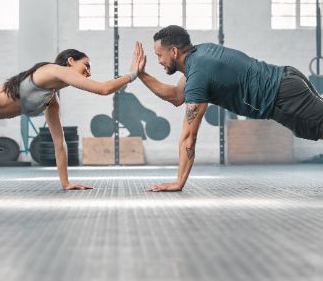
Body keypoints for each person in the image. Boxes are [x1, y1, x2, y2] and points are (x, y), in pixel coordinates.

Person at [136, 25, 323, 192]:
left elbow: (188, 137)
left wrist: (179, 182)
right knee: (310, 129)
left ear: (174, 51)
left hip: (283, 93)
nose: (159, 61)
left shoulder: (198, 76)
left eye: (159, 55)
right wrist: (141, 74)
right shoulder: (200, 55)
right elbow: (177, 95)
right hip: (285, 82)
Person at [0, 46, 141, 190]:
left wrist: (66, 183)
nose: (89, 72)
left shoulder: (50, 100)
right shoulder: (55, 69)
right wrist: (132, 74)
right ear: (71, 61)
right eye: (86, 65)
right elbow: (103, 89)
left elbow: (59, 143)